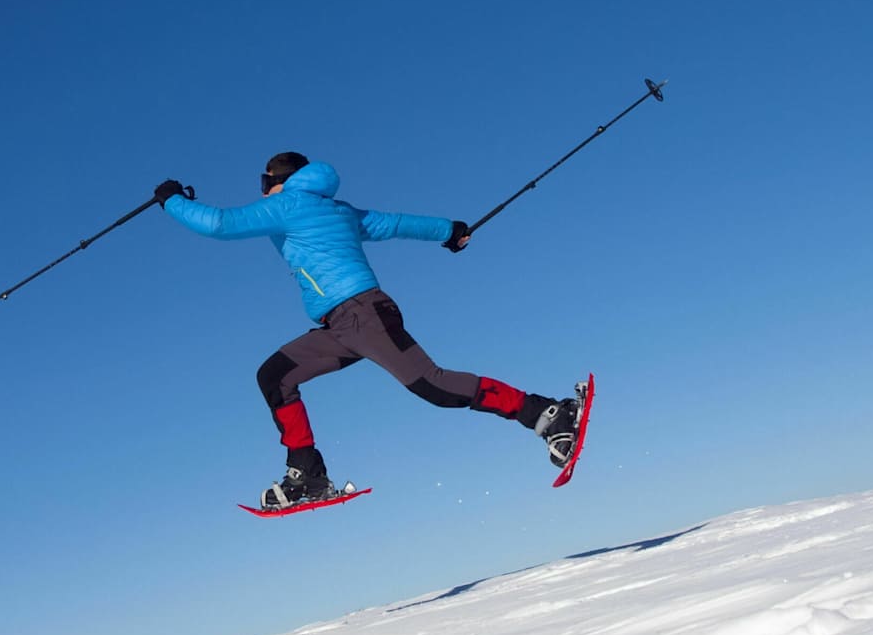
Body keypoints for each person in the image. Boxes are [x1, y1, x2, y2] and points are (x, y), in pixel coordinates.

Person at [154, 152, 583, 509]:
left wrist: (171, 199)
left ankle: (545, 413)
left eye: (263, 181)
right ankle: (307, 474)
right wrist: (449, 230)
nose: (261, 191)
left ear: (277, 181)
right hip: (340, 324)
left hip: (362, 315)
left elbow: (219, 224)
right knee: (275, 376)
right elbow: (391, 222)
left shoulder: (285, 205)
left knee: (431, 385)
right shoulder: (334, 208)